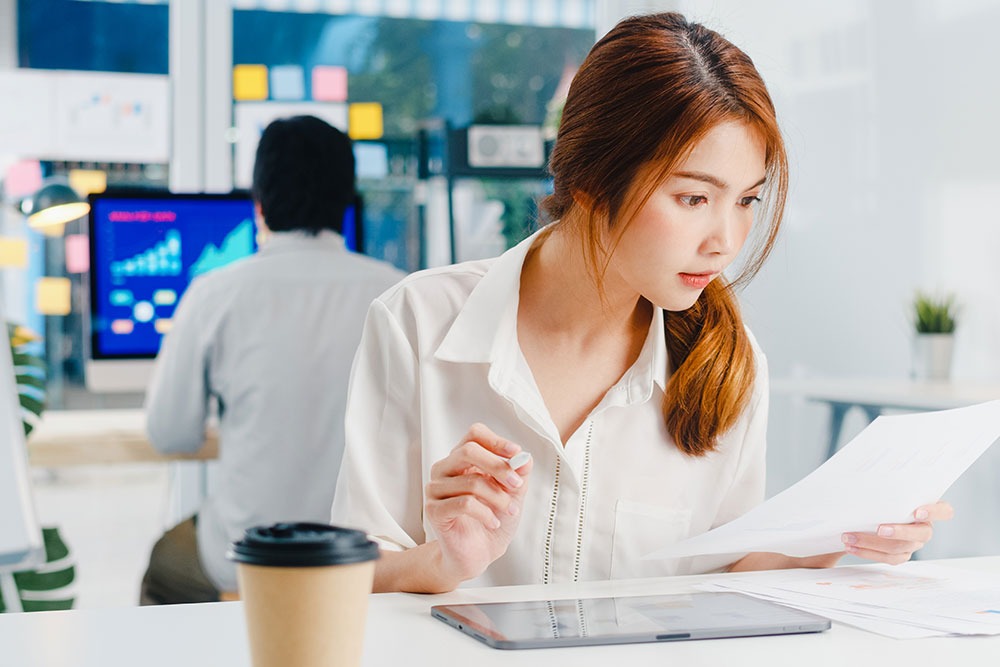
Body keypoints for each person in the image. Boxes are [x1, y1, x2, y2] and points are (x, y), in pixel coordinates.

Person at [330, 13, 952, 594]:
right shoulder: (418, 323)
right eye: (693, 198)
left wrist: (839, 535)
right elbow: (347, 575)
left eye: (746, 201)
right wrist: (447, 560)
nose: (726, 242)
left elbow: (723, 570)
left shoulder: (728, 364)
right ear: (594, 180)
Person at [140, 115, 405, 604]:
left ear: (258, 204)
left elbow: (169, 433)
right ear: (347, 199)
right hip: (366, 559)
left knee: (165, 562)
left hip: (246, 561)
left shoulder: (215, 293)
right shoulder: (398, 292)